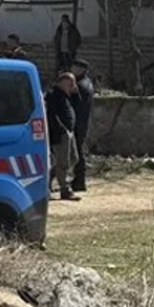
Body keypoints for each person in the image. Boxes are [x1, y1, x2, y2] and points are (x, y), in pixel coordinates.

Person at [47, 72, 80, 202]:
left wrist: (75, 92)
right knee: (63, 163)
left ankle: (48, 181)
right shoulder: (53, 95)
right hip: (61, 134)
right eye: (70, 82)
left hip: (69, 133)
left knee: (73, 158)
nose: (73, 85)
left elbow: (79, 104)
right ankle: (65, 189)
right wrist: (62, 130)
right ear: (62, 82)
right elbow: (52, 115)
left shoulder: (67, 96)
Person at [70, 59, 95, 194]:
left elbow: (74, 104)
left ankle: (79, 180)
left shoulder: (81, 85)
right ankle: (79, 180)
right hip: (81, 122)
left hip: (77, 122)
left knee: (76, 151)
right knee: (78, 151)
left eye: (75, 67)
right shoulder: (86, 83)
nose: (72, 69)